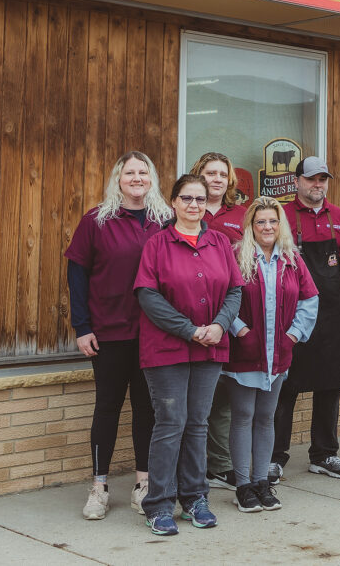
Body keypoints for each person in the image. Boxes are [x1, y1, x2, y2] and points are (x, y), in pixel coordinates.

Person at [134, 174, 244, 536]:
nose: (194, 205)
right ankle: (159, 503)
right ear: (174, 202)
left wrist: (219, 324)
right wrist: (190, 329)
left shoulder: (220, 243)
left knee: (198, 424)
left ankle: (196, 498)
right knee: (171, 423)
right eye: (187, 198)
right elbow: (148, 296)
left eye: (199, 199)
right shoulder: (157, 244)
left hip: (211, 346)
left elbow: (233, 291)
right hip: (167, 349)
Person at [65, 151, 172, 520]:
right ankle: (99, 487)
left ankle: (143, 484)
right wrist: (82, 327)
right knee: (107, 409)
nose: (137, 178)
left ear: (152, 178)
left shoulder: (166, 220)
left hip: (153, 334)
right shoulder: (97, 220)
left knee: (147, 410)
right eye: (130, 172)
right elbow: (76, 274)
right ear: (118, 178)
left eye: (144, 171)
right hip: (108, 332)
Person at [223, 197, 319, 512]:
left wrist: (294, 334)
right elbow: (222, 297)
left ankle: (262, 481)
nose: (267, 227)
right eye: (261, 221)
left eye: (273, 221)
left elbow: (309, 299)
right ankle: (243, 486)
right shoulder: (237, 256)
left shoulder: (291, 259)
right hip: (245, 352)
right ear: (251, 225)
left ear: (281, 226)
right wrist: (238, 330)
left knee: (266, 417)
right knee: (243, 417)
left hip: (278, 354)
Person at [270, 157, 340, 483]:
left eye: (322, 179)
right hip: (291, 315)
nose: (317, 185)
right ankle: (274, 458)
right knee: (285, 388)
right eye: (311, 179)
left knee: (329, 386)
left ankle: (324, 454)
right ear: (297, 181)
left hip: (333, 316)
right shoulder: (281, 217)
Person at [189, 152, 247, 493]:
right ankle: (193, 468)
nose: (216, 179)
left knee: (223, 396)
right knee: (191, 401)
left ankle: (221, 465)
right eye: (210, 173)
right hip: (190, 318)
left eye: (222, 174)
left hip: (229, 314)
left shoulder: (242, 215)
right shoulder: (182, 211)